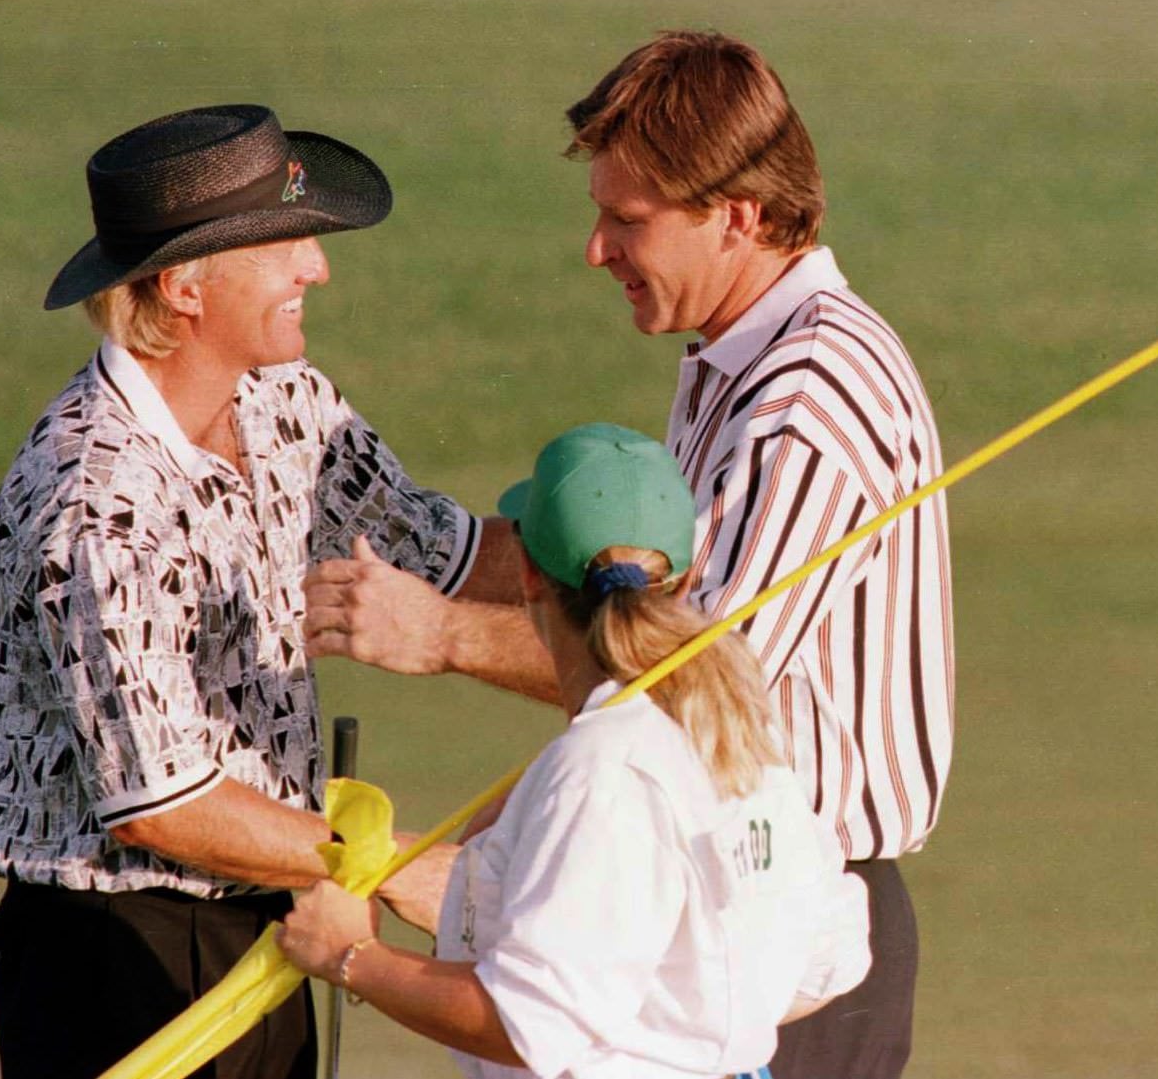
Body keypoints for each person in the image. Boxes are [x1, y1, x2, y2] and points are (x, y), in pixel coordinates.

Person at [303, 32, 955, 1079]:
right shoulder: (739, 356)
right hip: (725, 902)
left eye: (628, 220)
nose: (597, 249)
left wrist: (438, 635)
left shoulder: (805, 401)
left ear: (737, 216)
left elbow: (694, 676)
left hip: (788, 932)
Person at [0, 104, 508, 1079]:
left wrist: (636, 577)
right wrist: (392, 864)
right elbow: (159, 804)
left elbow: (450, 555)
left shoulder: (287, 402)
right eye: (283, 243)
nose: (317, 267)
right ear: (184, 287)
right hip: (119, 964)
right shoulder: (98, 500)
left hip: (267, 917)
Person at [278, 422, 872, 1079]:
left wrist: (346, 952)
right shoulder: (738, 728)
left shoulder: (603, 767)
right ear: (685, 575)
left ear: (527, 573)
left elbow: (530, 1023)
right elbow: (824, 956)